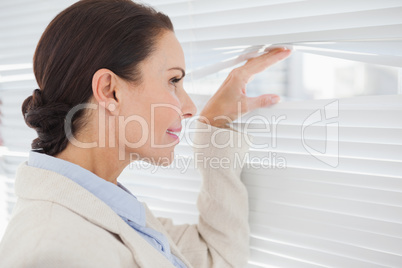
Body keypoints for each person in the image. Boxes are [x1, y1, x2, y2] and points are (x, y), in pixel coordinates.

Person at [0, 0, 290, 267]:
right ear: (109, 90)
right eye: (173, 80)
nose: (189, 108)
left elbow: (218, 258)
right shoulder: (51, 252)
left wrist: (213, 126)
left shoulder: (112, 209)